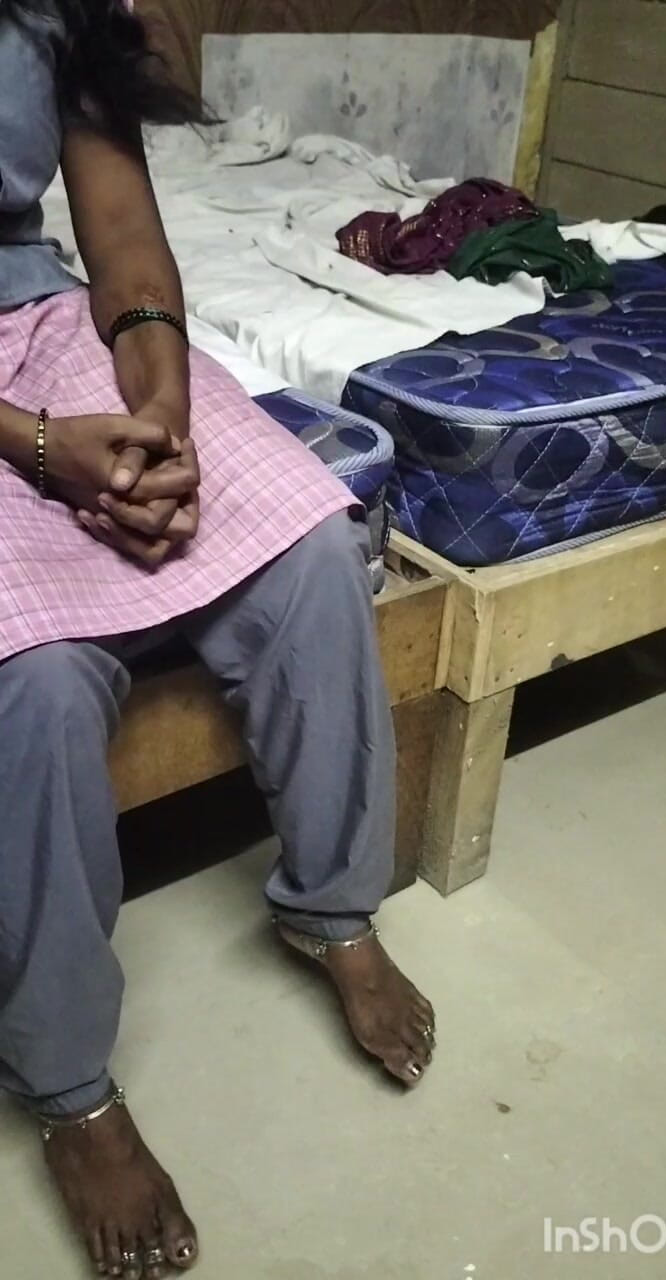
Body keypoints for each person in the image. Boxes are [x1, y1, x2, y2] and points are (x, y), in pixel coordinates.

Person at [0, 3, 436, 1276]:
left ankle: (332, 910)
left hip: (41, 319)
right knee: (33, 679)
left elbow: (124, 235)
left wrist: (165, 408)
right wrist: (41, 447)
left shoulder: (48, 11)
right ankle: (69, 1085)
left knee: (309, 549)